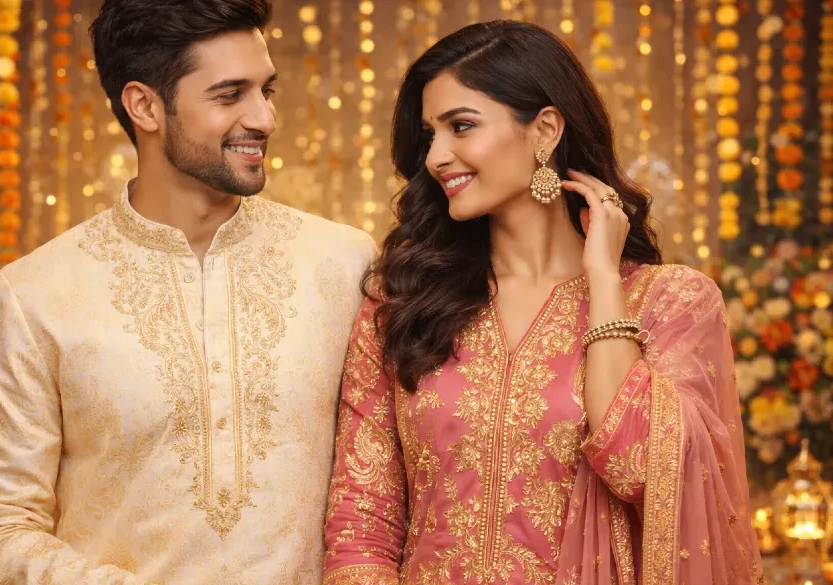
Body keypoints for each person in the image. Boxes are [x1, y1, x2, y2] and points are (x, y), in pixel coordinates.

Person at [322, 20, 763, 585]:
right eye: (430, 135)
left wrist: (602, 277)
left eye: (461, 126)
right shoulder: (404, 301)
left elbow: (641, 470)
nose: (436, 157)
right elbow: (363, 519)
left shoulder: (670, 302)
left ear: (545, 130)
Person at [0, 1, 376, 584]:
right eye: (230, 95)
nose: (264, 119)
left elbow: (390, 488)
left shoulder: (345, 266)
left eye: (266, 90)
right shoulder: (33, 297)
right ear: (144, 105)